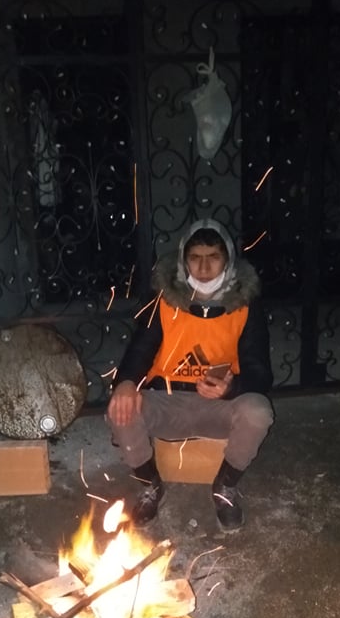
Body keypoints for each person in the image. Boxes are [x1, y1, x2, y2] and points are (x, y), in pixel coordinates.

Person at [107, 218, 274, 531]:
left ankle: (224, 487)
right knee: (121, 406)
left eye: (213, 257)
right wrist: (126, 382)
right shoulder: (164, 300)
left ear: (228, 260)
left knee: (258, 411)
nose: (204, 267)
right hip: (167, 399)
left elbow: (261, 372)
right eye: (195, 258)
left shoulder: (245, 305)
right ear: (184, 261)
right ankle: (150, 485)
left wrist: (231, 388)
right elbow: (141, 348)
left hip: (219, 404)